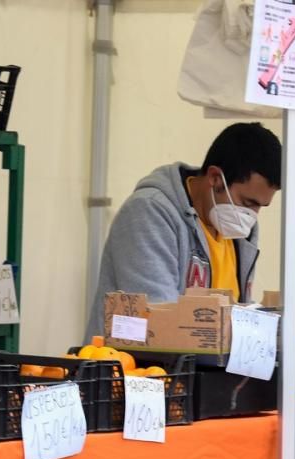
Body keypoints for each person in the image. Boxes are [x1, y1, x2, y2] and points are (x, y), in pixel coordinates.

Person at [85, 122, 282, 339]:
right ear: (215, 178)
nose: (252, 216)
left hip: (206, 368)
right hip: (136, 367)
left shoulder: (240, 228)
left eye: (260, 207)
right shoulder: (149, 211)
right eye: (247, 202)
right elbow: (158, 318)